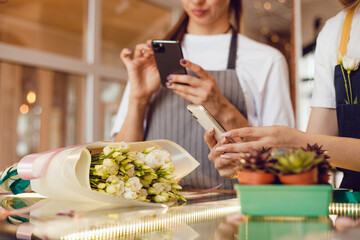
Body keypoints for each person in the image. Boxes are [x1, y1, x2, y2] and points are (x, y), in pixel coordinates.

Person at [111, 0, 294, 189]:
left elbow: (281, 155)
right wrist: (138, 99)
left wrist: (222, 108)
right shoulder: (151, 59)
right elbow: (120, 161)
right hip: (157, 213)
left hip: (231, 208)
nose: (197, 1)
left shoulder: (267, 60)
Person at [205, 0, 360, 190]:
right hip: (352, 210)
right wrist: (251, 160)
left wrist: (296, 142)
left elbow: (308, 145)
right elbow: (315, 156)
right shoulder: (336, 31)